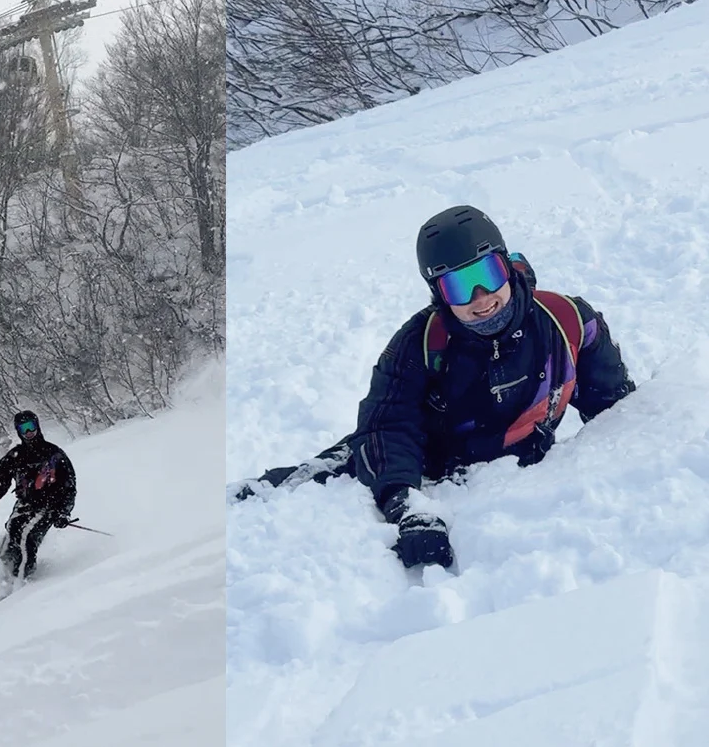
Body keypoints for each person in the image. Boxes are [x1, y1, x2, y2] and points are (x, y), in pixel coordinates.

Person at [231, 206, 636, 571]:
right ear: (438, 293)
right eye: (460, 287)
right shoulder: (419, 343)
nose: (481, 299)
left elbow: (619, 412)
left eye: (487, 275)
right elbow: (385, 430)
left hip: (510, 467)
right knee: (294, 490)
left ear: (507, 266)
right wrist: (409, 508)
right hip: (423, 464)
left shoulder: (567, 321)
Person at [0, 410, 77, 579]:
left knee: (29, 538)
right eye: (24, 429)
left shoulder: (54, 454)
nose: (28, 433)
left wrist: (63, 512)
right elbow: (1, 477)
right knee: (13, 528)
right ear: (18, 431)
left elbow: (69, 486)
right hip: (25, 503)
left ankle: (24, 581)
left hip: (50, 505)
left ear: (37, 426)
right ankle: (3, 576)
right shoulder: (16, 455)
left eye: (31, 427)